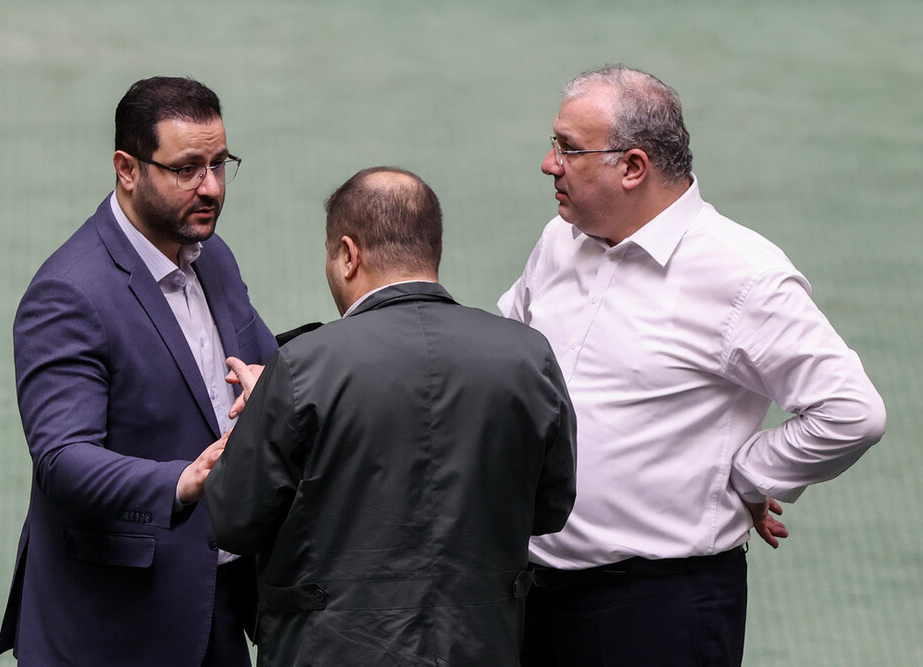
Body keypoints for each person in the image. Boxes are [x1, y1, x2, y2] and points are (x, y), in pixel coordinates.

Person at [498, 65, 887, 667]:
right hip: (529, 594)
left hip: (657, 615)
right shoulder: (559, 240)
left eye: (569, 149)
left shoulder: (744, 276)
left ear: (633, 167)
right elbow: (510, 353)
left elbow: (851, 412)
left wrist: (746, 475)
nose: (550, 164)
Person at [204, 167, 577, 666]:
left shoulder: (302, 366)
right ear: (432, 248)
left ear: (348, 254)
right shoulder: (528, 356)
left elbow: (232, 520)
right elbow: (551, 507)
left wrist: (258, 421)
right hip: (481, 647)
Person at [0, 77, 278, 666]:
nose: (211, 187)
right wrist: (181, 482)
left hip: (215, 610)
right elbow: (63, 458)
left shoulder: (212, 257)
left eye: (220, 164)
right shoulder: (69, 294)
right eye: (187, 169)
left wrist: (271, 391)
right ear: (127, 169)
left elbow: (265, 362)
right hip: (113, 632)